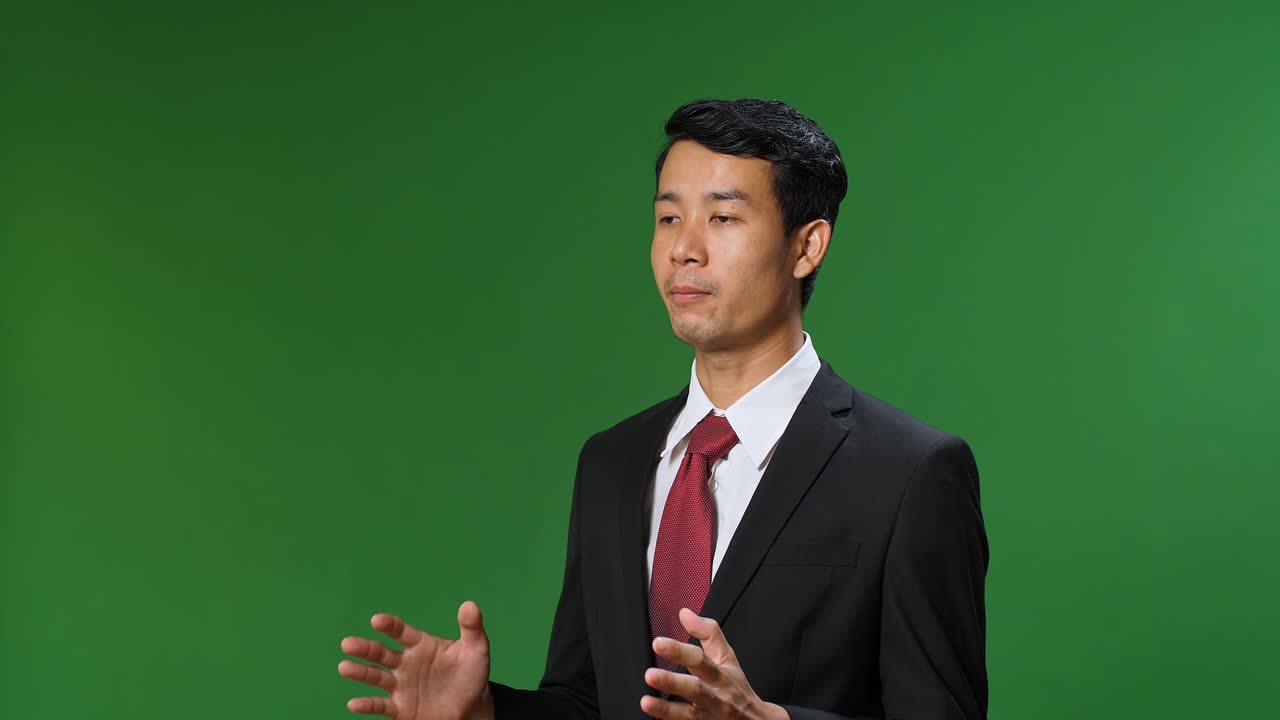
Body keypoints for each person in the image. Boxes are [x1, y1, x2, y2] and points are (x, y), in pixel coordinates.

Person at [337, 98, 990, 720]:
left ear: (806, 247)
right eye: (669, 217)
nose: (686, 249)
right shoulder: (611, 462)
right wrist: (485, 710)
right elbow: (590, 702)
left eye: (724, 218)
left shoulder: (911, 473)